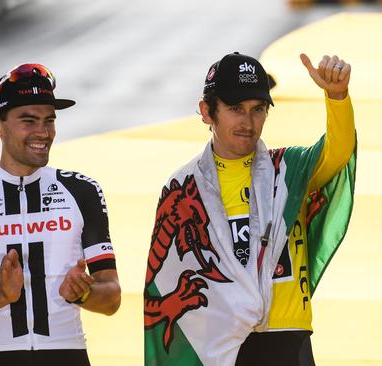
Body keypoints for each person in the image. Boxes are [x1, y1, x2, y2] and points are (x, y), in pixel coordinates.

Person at [143, 52, 356, 366]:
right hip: (217, 345)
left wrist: (337, 97)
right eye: (235, 109)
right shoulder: (182, 187)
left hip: (287, 335)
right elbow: (162, 284)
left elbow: (338, 152)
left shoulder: (289, 168)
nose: (247, 122)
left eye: (258, 109)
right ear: (206, 111)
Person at [0, 63, 121, 366]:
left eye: (49, 120)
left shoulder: (82, 191)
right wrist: (0, 295)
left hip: (71, 354)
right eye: (29, 120)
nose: (43, 132)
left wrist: (84, 294)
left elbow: (112, 297)